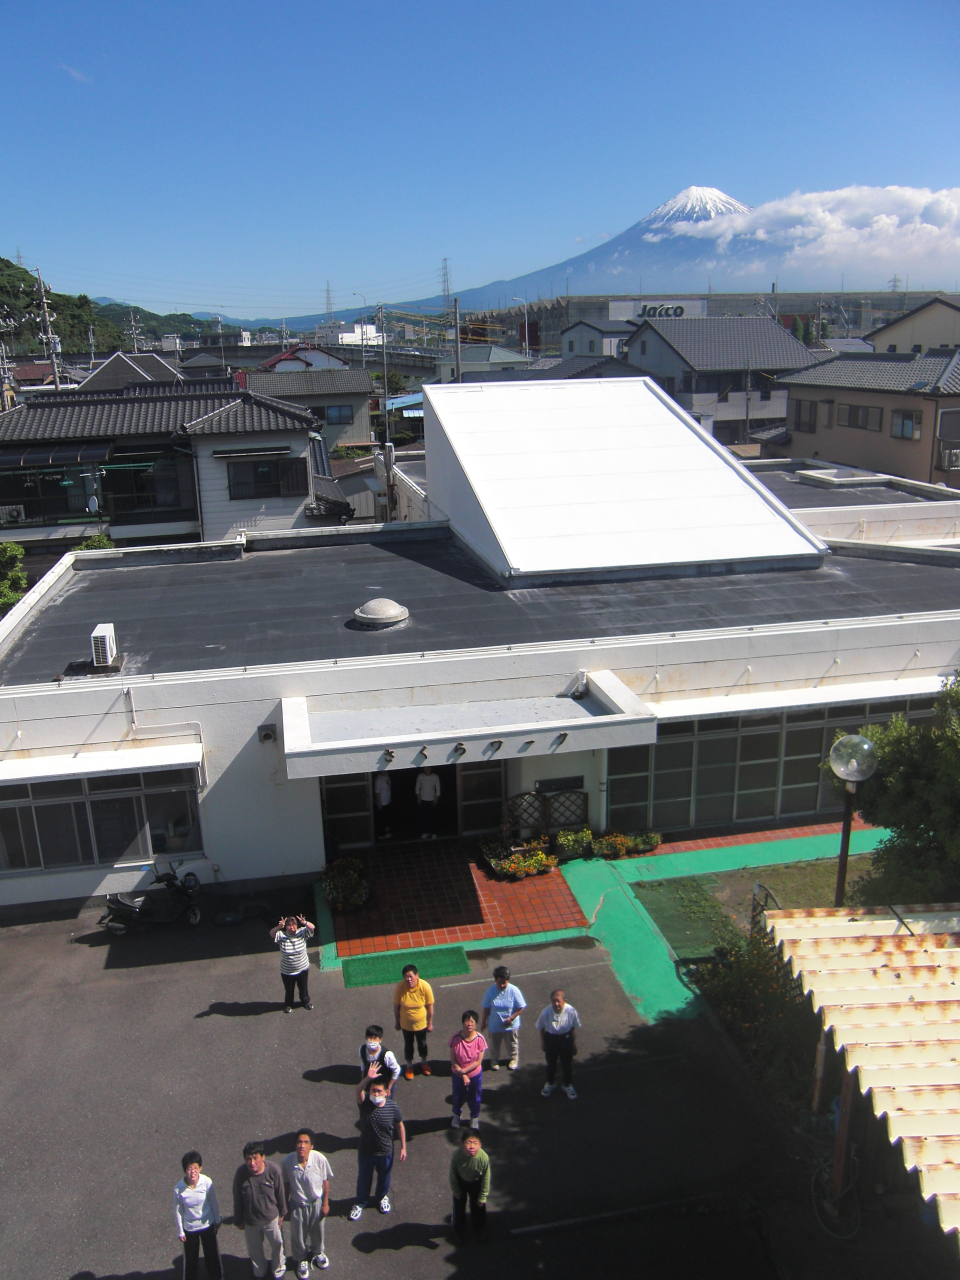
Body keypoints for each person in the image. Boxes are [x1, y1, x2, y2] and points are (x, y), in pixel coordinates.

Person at [350, 1076, 407, 1221]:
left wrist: (403, 1147)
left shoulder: (392, 1107)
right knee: (364, 1179)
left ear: (386, 1091)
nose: (375, 1094)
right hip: (366, 1151)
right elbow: (358, 1091)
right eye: (372, 1090)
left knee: (384, 1178)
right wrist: (368, 1078)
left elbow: (400, 1126)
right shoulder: (365, 1105)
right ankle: (360, 1202)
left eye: (378, 1091)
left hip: (385, 1151)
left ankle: (381, 1197)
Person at [232, 1141, 286, 1280]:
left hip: (271, 1220)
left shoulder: (273, 1170)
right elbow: (237, 1197)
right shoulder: (240, 1173)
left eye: (255, 1158)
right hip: (251, 1222)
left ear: (263, 1157)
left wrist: (282, 1213)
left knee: (277, 1246)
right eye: (248, 1159)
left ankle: (278, 1271)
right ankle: (259, 1272)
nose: (252, 1162)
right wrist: (238, 1220)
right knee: (255, 1252)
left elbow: (280, 1193)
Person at [281, 1129, 332, 1276]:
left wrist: (325, 1203)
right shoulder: (287, 1162)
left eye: (306, 1142)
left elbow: (325, 1182)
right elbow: (286, 1185)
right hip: (297, 1205)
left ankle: (318, 1252)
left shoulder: (320, 1159)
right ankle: (301, 1259)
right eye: (299, 1142)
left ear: (312, 1146)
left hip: (316, 1203)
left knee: (318, 1232)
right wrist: (286, 1207)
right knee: (298, 1235)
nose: (302, 1146)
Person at [174, 1150, 222, 1280]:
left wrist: (217, 1220)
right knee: (190, 1258)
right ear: (185, 1171)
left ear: (200, 1168)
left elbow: (213, 1202)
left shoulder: (207, 1182)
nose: (193, 1171)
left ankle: (216, 1276)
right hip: (190, 1228)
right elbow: (178, 1211)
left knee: (212, 1254)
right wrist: (180, 1231)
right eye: (189, 1168)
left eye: (196, 1168)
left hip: (207, 1224)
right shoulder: (179, 1188)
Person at [536, 989, 581, 1100]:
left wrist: (573, 1044)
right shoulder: (546, 1012)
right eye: (554, 1001)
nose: (556, 1004)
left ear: (564, 1001)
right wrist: (543, 1042)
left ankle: (567, 1085)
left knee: (567, 1064)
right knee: (551, 1064)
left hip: (565, 1039)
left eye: (558, 1001)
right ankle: (550, 1083)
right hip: (551, 1039)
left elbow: (574, 1027)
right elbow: (541, 1027)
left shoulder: (571, 1011)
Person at [480, 965, 527, 1071]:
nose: (501, 985)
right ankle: (494, 1060)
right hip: (495, 1025)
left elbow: (521, 1007)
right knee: (494, 1045)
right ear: (495, 980)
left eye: (504, 983)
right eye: (499, 982)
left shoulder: (514, 990)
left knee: (512, 1044)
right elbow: (486, 1008)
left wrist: (512, 1018)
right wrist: (483, 1021)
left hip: (510, 1026)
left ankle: (513, 1059)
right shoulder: (490, 992)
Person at [393, 963, 434, 1079]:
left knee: (422, 1044)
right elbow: (396, 1006)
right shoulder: (400, 988)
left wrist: (430, 1023)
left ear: (417, 975)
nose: (409, 979)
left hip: (421, 1025)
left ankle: (424, 1062)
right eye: (406, 977)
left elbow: (430, 1006)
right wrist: (397, 1022)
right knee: (408, 1045)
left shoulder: (425, 986)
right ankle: (409, 1066)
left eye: (411, 976)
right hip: (406, 1025)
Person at [449, 1129, 490, 1243]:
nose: (472, 1147)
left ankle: (479, 1230)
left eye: (475, 1143)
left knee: (479, 1207)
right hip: (461, 1182)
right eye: (468, 1143)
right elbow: (452, 1175)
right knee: (459, 1208)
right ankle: (459, 1231)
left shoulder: (484, 1157)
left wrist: (483, 1196)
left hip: (476, 1183)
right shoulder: (457, 1155)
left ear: (480, 1145)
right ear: (462, 1144)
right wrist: (456, 1191)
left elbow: (486, 1178)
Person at [269, 914, 315, 1013]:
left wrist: (305, 923)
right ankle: (288, 1004)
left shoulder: (302, 932)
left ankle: (305, 1002)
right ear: (286, 927)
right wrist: (278, 927)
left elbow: (312, 928)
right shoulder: (282, 935)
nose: (292, 927)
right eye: (289, 925)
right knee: (289, 990)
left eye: (294, 925)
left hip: (302, 968)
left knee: (303, 988)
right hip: (287, 971)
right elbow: (272, 934)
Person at [449, 1010, 487, 1129]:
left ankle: (474, 1117)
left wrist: (465, 1072)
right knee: (457, 1095)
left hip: (474, 1074)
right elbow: (453, 1060)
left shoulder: (480, 1039)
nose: (469, 1024)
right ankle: (456, 1115)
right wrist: (462, 1074)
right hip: (458, 1073)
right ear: (463, 1023)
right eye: (467, 1021)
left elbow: (478, 1061)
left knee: (475, 1096)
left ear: (476, 1024)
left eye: (472, 1021)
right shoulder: (455, 1038)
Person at [359, 1024, 401, 1094]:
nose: (372, 1041)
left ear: (380, 1040)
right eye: (369, 1037)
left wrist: (389, 1087)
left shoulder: (387, 1055)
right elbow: (363, 1064)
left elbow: (397, 1070)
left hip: (384, 1084)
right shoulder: (362, 1049)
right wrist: (363, 1081)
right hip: (370, 1082)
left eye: (375, 1038)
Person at [415, 765, 441, 838]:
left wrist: (436, 799)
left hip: (432, 800)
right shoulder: (420, 776)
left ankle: (434, 832)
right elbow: (417, 789)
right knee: (424, 818)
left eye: (428, 768)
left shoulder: (435, 777)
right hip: (423, 800)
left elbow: (438, 790)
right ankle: (426, 832)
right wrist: (419, 799)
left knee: (433, 817)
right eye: (425, 768)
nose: (427, 769)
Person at [373, 771, 392, 840]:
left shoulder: (387, 775)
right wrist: (379, 803)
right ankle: (381, 834)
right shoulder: (378, 780)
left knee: (386, 817)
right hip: (382, 803)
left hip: (387, 801)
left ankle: (385, 829)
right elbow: (377, 793)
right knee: (381, 819)